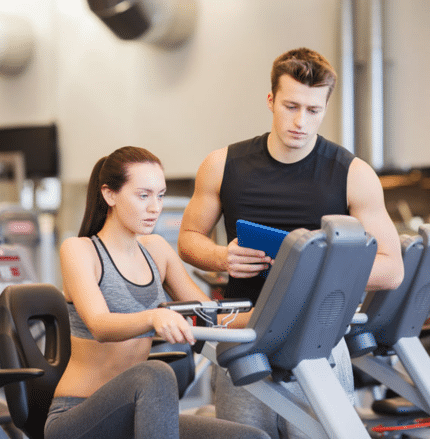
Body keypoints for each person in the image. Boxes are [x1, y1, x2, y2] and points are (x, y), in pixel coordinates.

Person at [178, 48, 404, 438]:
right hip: (245, 339)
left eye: (313, 110)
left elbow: (391, 268)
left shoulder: (353, 173)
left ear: (325, 108)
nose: (301, 121)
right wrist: (220, 256)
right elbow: (188, 239)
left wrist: (324, 272)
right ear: (271, 101)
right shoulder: (222, 164)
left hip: (319, 342)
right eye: (291, 106)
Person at [47, 146, 269, 439]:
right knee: (155, 372)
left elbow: (209, 314)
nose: (155, 207)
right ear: (110, 194)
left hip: (136, 414)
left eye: (160, 195)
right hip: (78, 417)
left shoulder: (156, 250)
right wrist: (154, 317)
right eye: (143, 195)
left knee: (251, 438)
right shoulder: (80, 250)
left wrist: (269, 316)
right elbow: (99, 325)